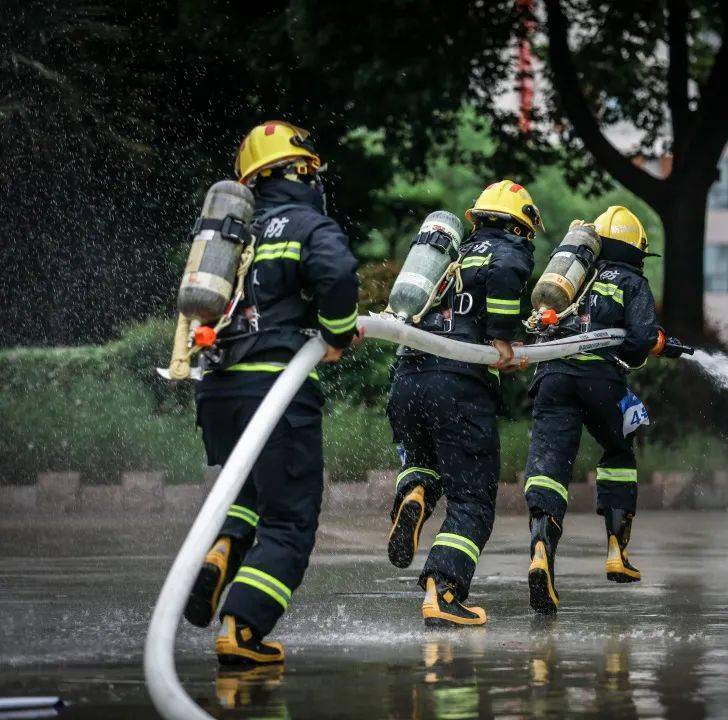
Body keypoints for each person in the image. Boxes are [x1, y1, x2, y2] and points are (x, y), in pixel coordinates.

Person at [183, 121, 361, 664]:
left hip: (218, 393)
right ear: (301, 170)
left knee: (252, 497)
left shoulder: (234, 232)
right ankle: (242, 630)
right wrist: (336, 333)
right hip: (276, 390)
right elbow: (337, 272)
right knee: (290, 520)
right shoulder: (307, 222)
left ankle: (222, 549)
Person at [385, 180, 539, 627]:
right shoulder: (507, 251)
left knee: (423, 459)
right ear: (521, 227)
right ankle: (444, 592)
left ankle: (414, 492)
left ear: (476, 219)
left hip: (409, 379)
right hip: (459, 385)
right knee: (472, 500)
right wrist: (504, 339)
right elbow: (507, 278)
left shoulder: (449, 256)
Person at [522, 206, 674, 615]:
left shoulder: (570, 279)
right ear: (633, 250)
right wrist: (654, 343)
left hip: (552, 376)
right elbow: (640, 339)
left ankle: (540, 548)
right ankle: (615, 551)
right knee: (619, 451)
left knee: (549, 468)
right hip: (602, 383)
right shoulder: (632, 280)